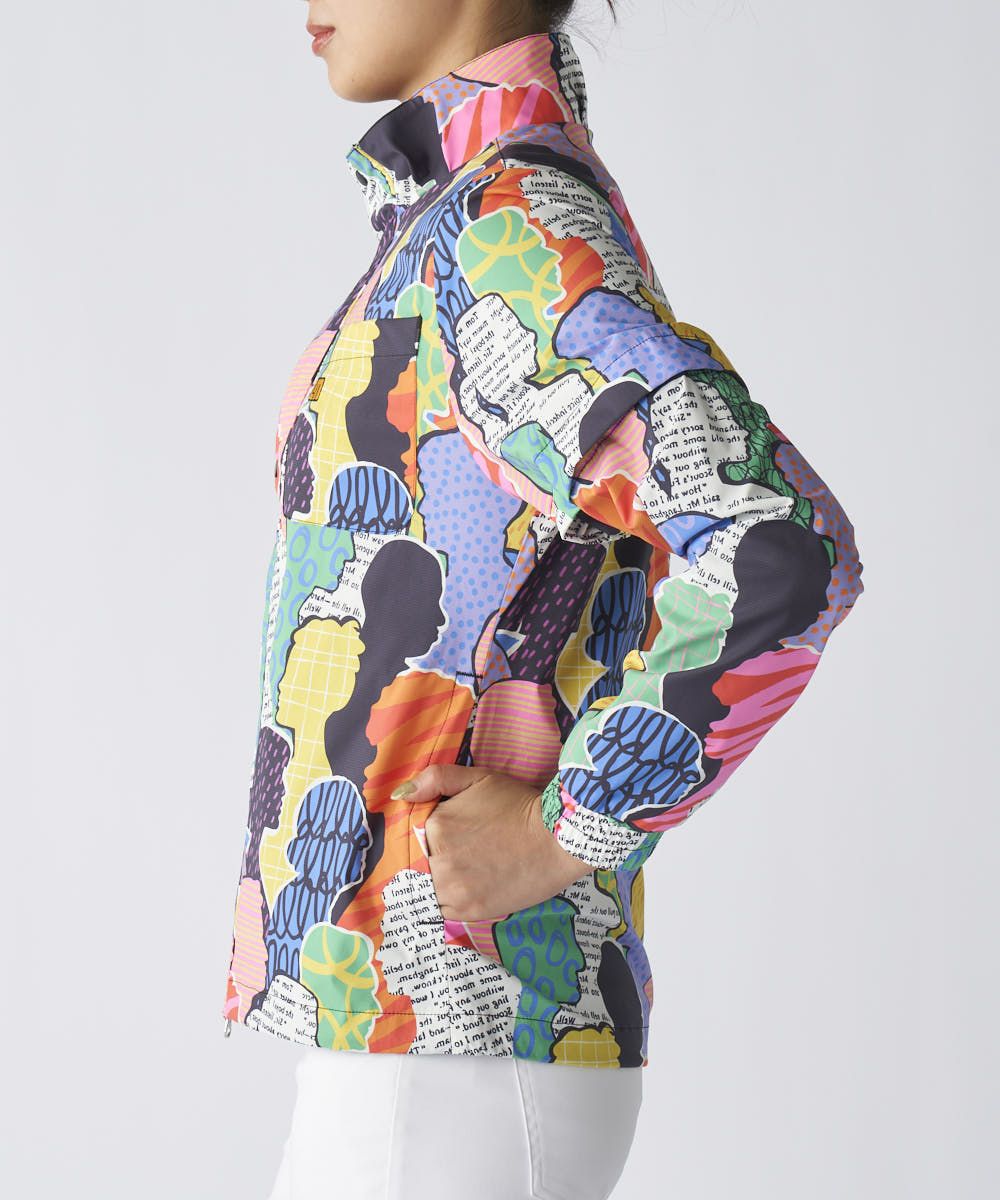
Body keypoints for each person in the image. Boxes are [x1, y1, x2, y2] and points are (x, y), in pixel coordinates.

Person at [220, 2, 866, 1196]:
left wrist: (561, 832)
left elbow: (777, 545)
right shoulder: (463, 218)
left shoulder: (503, 228)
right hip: (417, 1041)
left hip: (450, 1046)